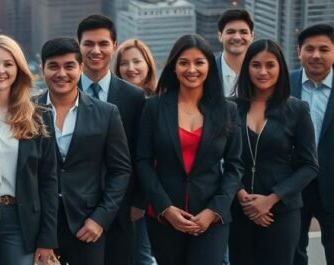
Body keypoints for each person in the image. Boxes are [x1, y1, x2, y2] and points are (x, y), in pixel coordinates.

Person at [135, 34, 243, 265]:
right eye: (184, 62)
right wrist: (165, 208)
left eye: (199, 62)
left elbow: (235, 166)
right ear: (174, 67)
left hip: (211, 216)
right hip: (165, 217)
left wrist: (214, 211)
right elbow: (143, 161)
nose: (191, 69)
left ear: (209, 67)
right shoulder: (154, 107)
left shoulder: (227, 110)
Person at [40, 37, 130, 265]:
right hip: (40, 223)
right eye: (53, 66)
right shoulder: (28, 112)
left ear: (81, 68)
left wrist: (100, 219)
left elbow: (120, 171)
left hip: (88, 223)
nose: (61, 73)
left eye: (69, 66)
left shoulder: (107, 113)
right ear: (42, 69)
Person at [230, 40, 318, 265]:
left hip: (281, 211)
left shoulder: (296, 109)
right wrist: (243, 196)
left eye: (270, 65)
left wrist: (270, 200)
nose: (263, 72)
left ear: (280, 68)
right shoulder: (230, 107)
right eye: (256, 65)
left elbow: (309, 165)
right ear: (247, 67)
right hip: (239, 209)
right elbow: (221, 157)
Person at [0, 35, 58, 265]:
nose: (0, 70)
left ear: (18, 69)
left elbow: (49, 181)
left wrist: (47, 238)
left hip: (20, 220)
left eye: (8, 64)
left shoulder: (39, 116)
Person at [76, 15, 145, 265]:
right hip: (74, 208)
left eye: (103, 44)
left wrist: (138, 201)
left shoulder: (134, 96)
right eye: (88, 44)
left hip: (122, 207)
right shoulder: (64, 92)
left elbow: (141, 152)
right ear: (79, 46)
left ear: (114, 46)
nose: (96, 50)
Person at [290, 23, 334, 265]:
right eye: (309, 49)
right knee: (293, 253)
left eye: (324, 49)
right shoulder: (284, 83)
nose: (316, 55)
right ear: (299, 52)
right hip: (293, 186)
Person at [111, 38, 157, 265]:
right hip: (119, 195)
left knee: (141, 255)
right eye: (124, 63)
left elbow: (149, 156)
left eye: (137, 61)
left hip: (148, 196)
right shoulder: (114, 103)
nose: (131, 68)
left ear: (148, 64)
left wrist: (140, 200)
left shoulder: (156, 102)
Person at [217, 9, 254, 97]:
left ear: (252, 36)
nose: (237, 37)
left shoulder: (260, 73)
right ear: (220, 36)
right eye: (231, 32)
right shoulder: (208, 71)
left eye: (243, 32)